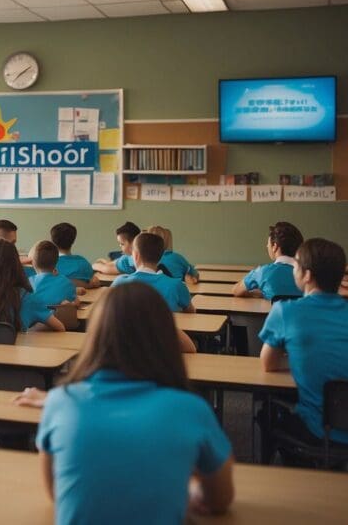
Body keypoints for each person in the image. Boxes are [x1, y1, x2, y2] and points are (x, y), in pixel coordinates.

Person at [14, 282, 234, 524]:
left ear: (96, 336)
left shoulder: (59, 403)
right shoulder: (191, 409)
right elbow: (220, 499)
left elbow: (57, 493)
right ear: (166, 335)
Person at [260, 238, 348, 458]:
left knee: (266, 412)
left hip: (320, 431)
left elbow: (268, 364)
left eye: (296, 265)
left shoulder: (285, 311)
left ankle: (295, 472)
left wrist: (305, 357)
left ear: (307, 275)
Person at [232, 222, 303, 299]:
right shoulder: (309, 275)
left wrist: (259, 294)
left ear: (275, 246)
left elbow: (236, 290)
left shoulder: (262, 272)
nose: (267, 246)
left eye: (268, 243)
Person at [28, 240, 79, 308]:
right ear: (57, 260)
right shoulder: (67, 282)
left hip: (34, 318)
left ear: (32, 263)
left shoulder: (27, 284)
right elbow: (76, 303)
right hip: (63, 318)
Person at [49, 222, 99, 289]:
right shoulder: (84, 263)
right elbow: (94, 282)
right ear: (73, 241)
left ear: (52, 241)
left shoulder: (47, 265)